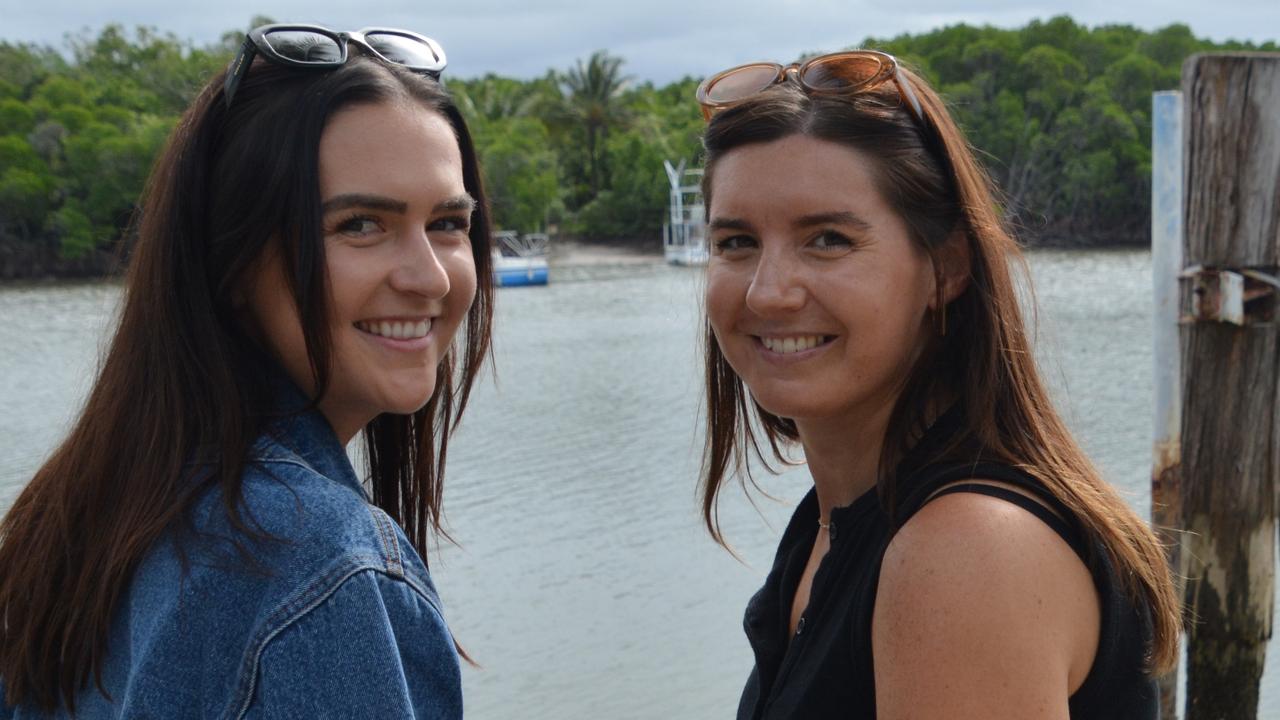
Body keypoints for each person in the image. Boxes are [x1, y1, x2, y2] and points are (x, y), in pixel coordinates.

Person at [0, 25, 492, 719]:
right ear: (231, 264)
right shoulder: (317, 562)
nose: (429, 276)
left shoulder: (89, 513)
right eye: (360, 225)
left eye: (447, 222)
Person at [695, 50, 1180, 719]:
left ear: (946, 267)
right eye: (736, 243)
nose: (769, 291)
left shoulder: (965, 552)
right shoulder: (835, 524)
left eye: (828, 240)